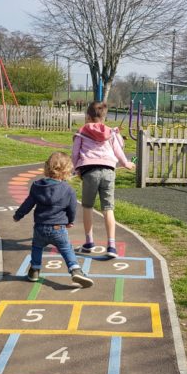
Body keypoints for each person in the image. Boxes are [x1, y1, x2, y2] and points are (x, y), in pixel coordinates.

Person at [13, 152, 94, 288]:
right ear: (67, 170)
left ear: (47, 167)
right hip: (58, 228)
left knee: (37, 247)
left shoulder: (37, 186)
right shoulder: (68, 190)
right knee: (66, 248)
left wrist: (18, 215)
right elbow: (72, 208)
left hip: (40, 227)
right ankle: (75, 270)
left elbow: (28, 204)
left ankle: (34, 270)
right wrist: (70, 221)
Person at [71, 101, 135, 259]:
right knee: (108, 208)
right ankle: (111, 246)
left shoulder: (82, 131)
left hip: (89, 171)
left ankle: (89, 242)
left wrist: (76, 169)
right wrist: (126, 163)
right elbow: (118, 150)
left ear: (87, 116)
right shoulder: (110, 132)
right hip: (108, 171)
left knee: (87, 207)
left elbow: (75, 153)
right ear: (104, 117)